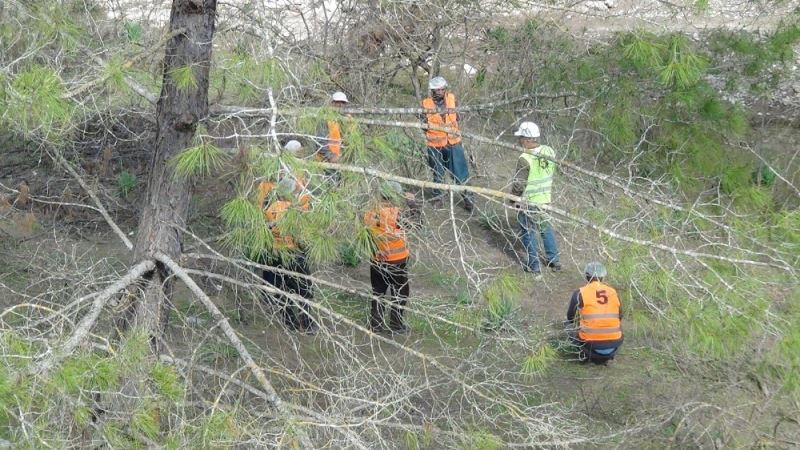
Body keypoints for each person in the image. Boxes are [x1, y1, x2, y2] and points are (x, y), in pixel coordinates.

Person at [363, 181, 420, 333]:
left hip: (377, 260)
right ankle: (396, 325)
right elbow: (417, 224)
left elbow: (364, 237)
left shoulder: (370, 212)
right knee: (400, 293)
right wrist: (412, 203)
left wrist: (375, 251)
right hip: (397, 261)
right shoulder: (398, 214)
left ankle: (376, 325)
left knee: (378, 292)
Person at [262, 177, 317, 334]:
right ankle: (306, 324)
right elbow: (301, 236)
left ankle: (289, 322)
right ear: (290, 193)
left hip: (275, 254)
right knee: (303, 290)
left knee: (281, 289)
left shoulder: (269, 210)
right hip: (294, 254)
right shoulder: (295, 212)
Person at [510, 121, 561, 274]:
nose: (519, 141)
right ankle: (554, 261)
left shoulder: (525, 157)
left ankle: (534, 265)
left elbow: (519, 184)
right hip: (545, 199)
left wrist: (513, 199)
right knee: (546, 229)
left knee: (528, 232)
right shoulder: (549, 151)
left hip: (528, 201)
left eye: (521, 138)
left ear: (527, 139)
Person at [420, 76, 474, 211]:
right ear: (432, 90)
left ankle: (468, 199)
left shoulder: (452, 99)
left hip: (453, 142)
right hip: (435, 145)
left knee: (461, 173)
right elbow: (423, 124)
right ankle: (437, 199)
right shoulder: (425, 104)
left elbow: (458, 117)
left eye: (442, 89)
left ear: (445, 89)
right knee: (437, 173)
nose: (440, 92)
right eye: (437, 90)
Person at [565, 262, 623, 364]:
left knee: (568, 325)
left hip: (591, 344)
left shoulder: (580, 293)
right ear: (603, 277)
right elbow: (620, 316)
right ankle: (607, 356)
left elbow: (570, 317)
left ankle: (585, 355)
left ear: (586, 276)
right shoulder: (613, 292)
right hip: (614, 343)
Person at [254, 140, 310, 211]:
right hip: (279, 193)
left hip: (294, 197)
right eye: (297, 151)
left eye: (299, 151)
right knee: (264, 185)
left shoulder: (302, 165)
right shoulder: (279, 162)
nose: (299, 153)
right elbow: (272, 178)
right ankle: (259, 210)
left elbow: (302, 184)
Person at [316, 91, 348, 164]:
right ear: (332, 103)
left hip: (340, 159)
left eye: (343, 102)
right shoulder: (324, 119)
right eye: (337, 102)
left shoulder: (346, 119)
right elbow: (320, 141)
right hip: (325, 161)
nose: (340, 105)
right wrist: (330, 156)